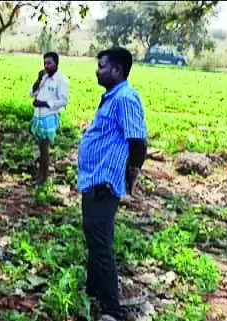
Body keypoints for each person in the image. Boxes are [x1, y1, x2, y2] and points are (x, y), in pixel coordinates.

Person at [78, 47, 147, 321]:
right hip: (93, 179)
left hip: (105, 182)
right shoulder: (112, 97)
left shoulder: (126, 99)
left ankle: (111, 310)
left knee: (102, 245)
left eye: (102, 66)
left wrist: (131, 173)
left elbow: (139, 142)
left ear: (117, 70)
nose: (98, 70)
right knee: (94, 238)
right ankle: (93, 291)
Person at [29, 51, 69, 184]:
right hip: (38, 116)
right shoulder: (44, 77)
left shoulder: (61, 80)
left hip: (49, 117)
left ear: (56, 64)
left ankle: (43, 177)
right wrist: (38, 79)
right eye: (45, 63)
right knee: (41, 148)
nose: (46, 66)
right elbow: (32, 93)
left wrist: (45, 103)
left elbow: (63, 100)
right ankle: (41, 174)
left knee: (44, 149)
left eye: (49, 63)